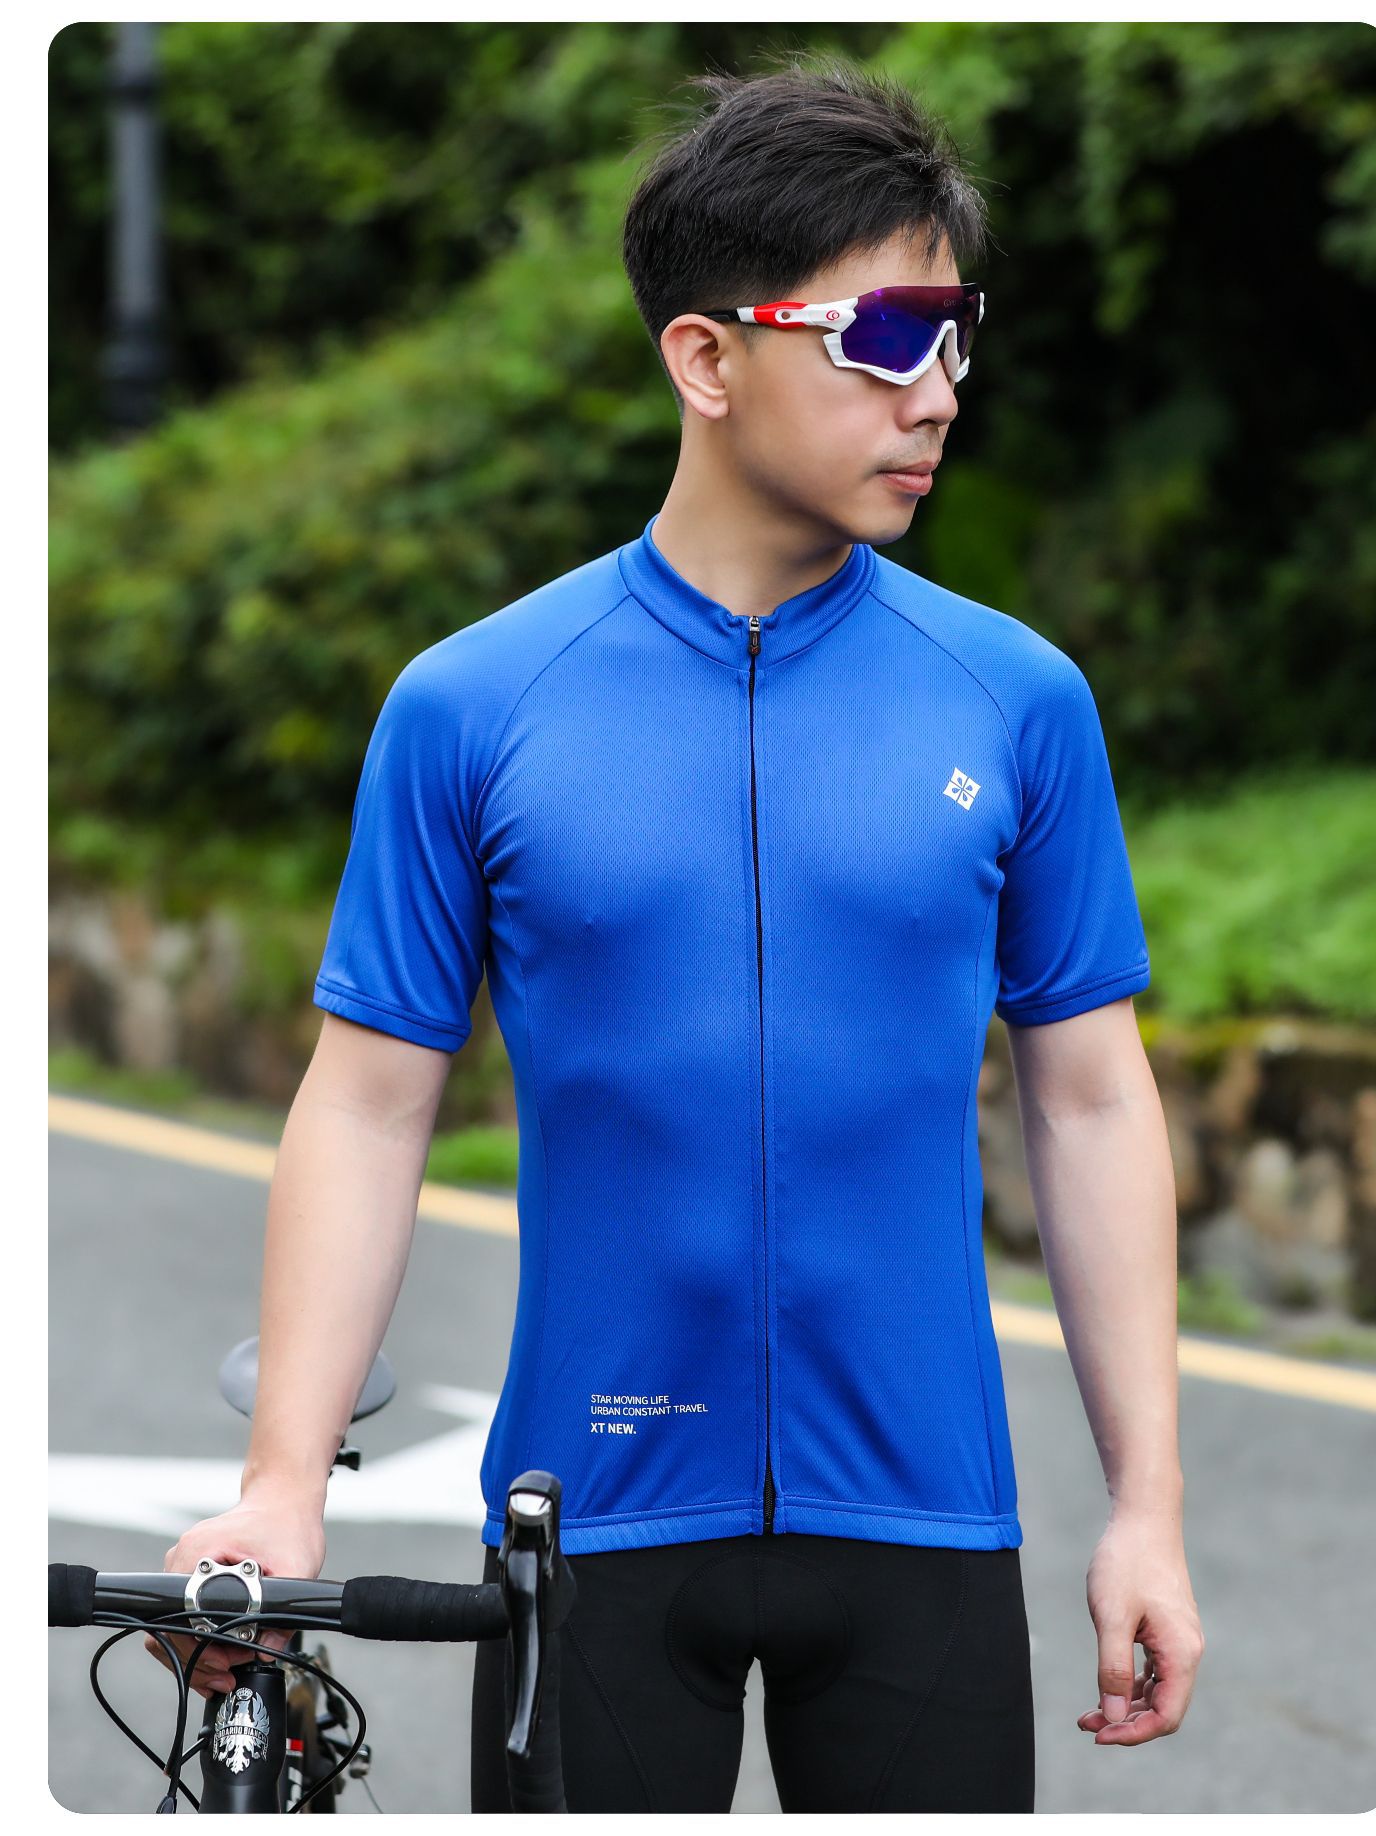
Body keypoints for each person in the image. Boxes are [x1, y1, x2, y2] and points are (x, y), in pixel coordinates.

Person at [149, 52, 1203, 1813]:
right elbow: (370, 1103)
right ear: (705, 360)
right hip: (586, 1532)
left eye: (958, 333)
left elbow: (1091, 1100)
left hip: (926, 1522)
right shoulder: (474, 704)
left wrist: (1148, 1510)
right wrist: (283, 1483)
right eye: (885, 338)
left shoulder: (1017, 699)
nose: (940, 392)